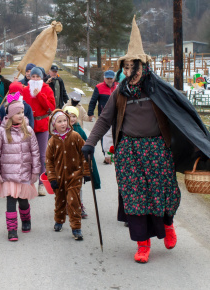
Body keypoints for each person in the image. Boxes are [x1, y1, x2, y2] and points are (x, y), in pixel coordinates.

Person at [82, 16, 210, 263]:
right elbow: (104, 119)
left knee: (164, 193)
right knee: (134, 197)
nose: (130, 72)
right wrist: (89, 143)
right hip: (128, 151)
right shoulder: (120, 92)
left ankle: (168, 225)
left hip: (157, 149)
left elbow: (183, 117)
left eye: (134, 66)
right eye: (126, 67)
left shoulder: (158, 89)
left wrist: (198, 145)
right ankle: (142, 245)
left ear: (144, 67)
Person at [0, 97, 40, 241]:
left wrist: (35, 171)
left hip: (24, 173)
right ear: (10, 116)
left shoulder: (29, 131)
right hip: (8, 174)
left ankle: (26, 220)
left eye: (22, 112)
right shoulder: (2, 132)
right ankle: (12, 230)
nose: (21, 115)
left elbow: (35, 152)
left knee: (23, 200)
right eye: (18, 113)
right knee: (11, 201)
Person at [46, 109, 90, 240]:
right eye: (59, 121)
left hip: (74, 176)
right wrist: (52, 178)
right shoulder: (52, 141)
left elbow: (85, 154)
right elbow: (49, 162)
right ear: (54, 124)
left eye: (65, 120)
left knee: (73, 202)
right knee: (60, 201)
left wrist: (86, 172)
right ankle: (59, 220)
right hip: (59, 178)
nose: (63, 123)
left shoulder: (75, 136)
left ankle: (76, 228)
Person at [23, 67, 56, 196]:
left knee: (42, 155)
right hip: (28, 126)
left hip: (42, 125)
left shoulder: (47, 89)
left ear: (42, 78)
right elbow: (15, 102)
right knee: (27, 155)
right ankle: (28, 184)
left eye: (37, 77)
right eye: (33, 77)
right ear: (29, 78)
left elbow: (51, 107)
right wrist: (13, 90)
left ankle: (42, 184)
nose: (35, 79)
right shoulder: (25, 90)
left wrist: (39, 95)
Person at [64, 106, 101, 219]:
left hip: (78, 165)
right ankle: (66, 205)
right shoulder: (61, 131)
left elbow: (87, 150)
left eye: (74, 116)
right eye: (69, 116)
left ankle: (79, 205)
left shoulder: (80, 131)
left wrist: (88, 170)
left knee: (78, 187)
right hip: (65, 165)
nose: (72, 119)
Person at [88, 70, 118, 161]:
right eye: (107, 78)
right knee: (104, 135)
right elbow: (93, 101)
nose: (109, 80)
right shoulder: (99, 87)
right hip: (104, 115)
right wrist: (90, 113)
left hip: (116, 115)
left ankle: (114, 154)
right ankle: (106, 155)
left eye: (111, 78)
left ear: (114, 79)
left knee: (114, 135)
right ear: (104, 78)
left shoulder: (118, 87)